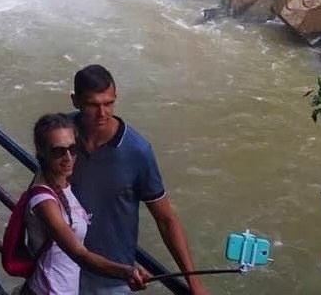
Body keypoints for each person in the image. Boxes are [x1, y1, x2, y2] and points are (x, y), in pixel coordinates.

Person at [70, 64, 208, 295]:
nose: (102, 113)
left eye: (109, 103)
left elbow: (166, 220)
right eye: (93, 104)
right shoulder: (62, 136)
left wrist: (194, 284)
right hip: (62, 264)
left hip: (110, 277)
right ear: (75, 101)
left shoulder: (137, 151)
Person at [21, 114, 149, 295]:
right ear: (42, 152)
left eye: (73, 149)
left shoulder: (64, 185)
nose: (68, 157)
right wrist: (125, 271)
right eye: (58, 151)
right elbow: (79, 254)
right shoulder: (44, 201)